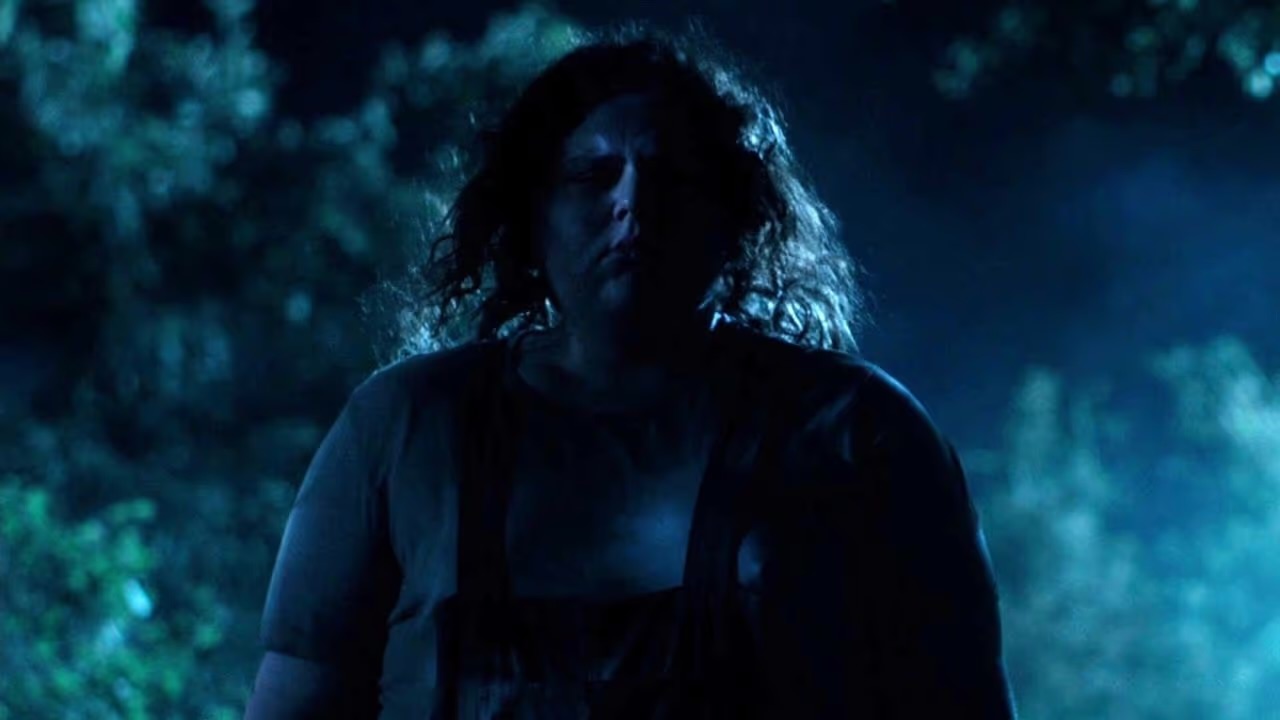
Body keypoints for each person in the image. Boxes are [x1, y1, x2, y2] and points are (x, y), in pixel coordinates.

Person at [244, 28, 1017, 720]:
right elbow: (298, 700)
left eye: (670, 175)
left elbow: (962, 702)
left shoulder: (857, 434)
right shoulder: (405, 427)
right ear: (531, 215)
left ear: (732, 214)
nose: (632, 203)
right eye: (593, 174)